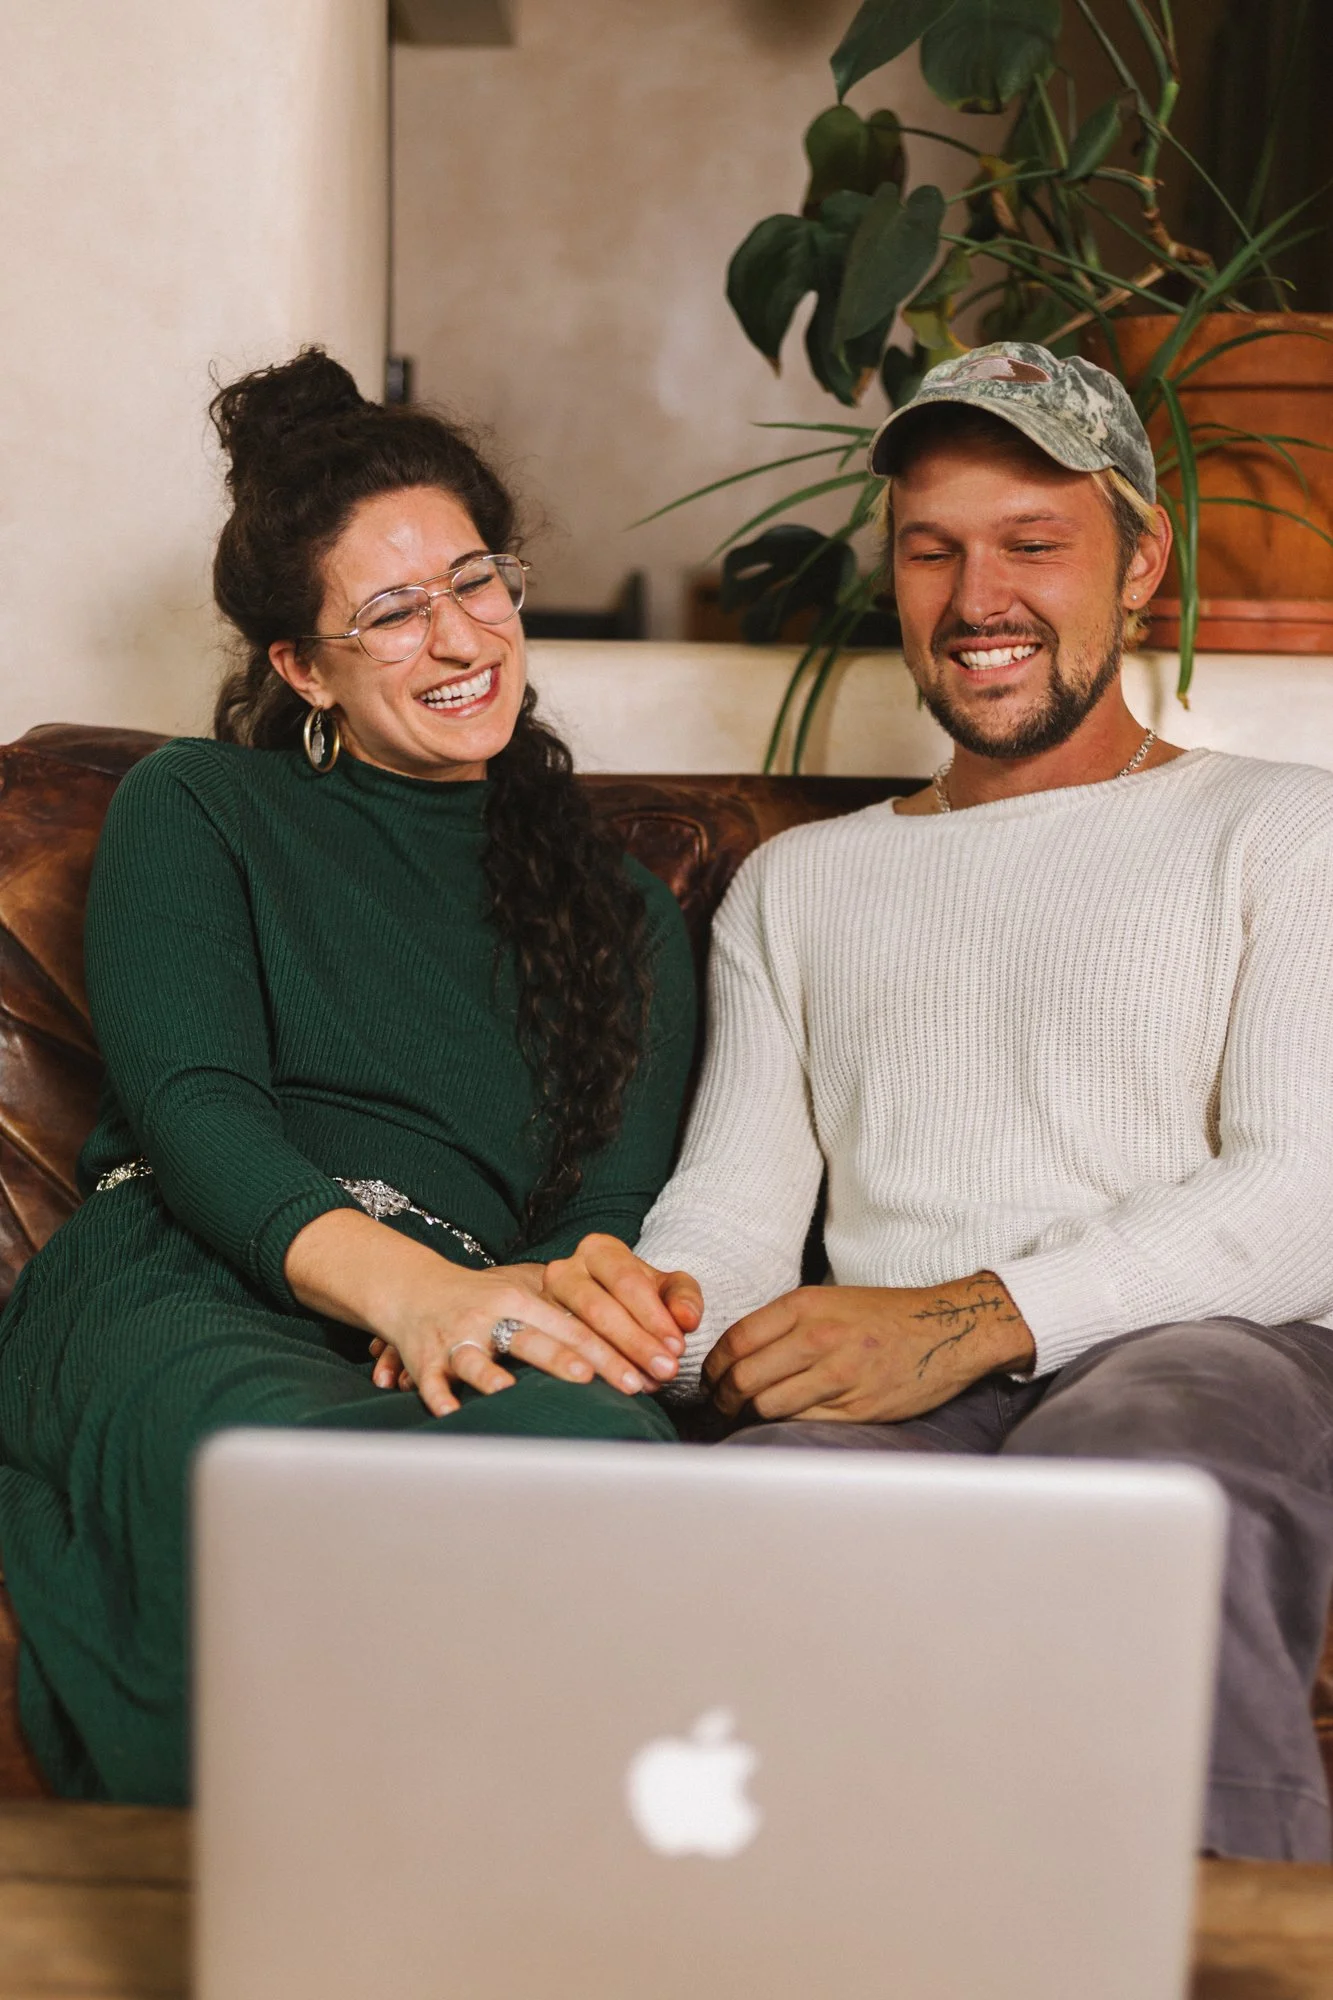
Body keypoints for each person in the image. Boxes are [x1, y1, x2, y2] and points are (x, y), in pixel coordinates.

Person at [543, 343, 1333, 1862]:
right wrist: (639, 1319)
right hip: (902, 1390)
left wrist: (964, 1318)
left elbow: (1305, 1199)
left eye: (1034, 544)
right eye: (933, 550)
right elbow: (734, 1219)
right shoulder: (801, 885)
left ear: (1140, 559)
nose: (980, 600)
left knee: (1133, 1479)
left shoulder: (1285, 833)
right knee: (755, 1518)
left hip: (1211, 1350)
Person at [0, 349, 697, 1806]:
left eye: (475, 580)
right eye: (392, 611)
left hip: (473, 1310)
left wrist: (496, 1309)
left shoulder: (626, 906)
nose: (459, 638)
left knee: (598, 1457)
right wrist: (407, 1292)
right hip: (198, 1275)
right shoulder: (200, 808)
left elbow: (611, 1195)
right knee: (305, 1499)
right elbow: (197, 1115)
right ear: (304, 667)